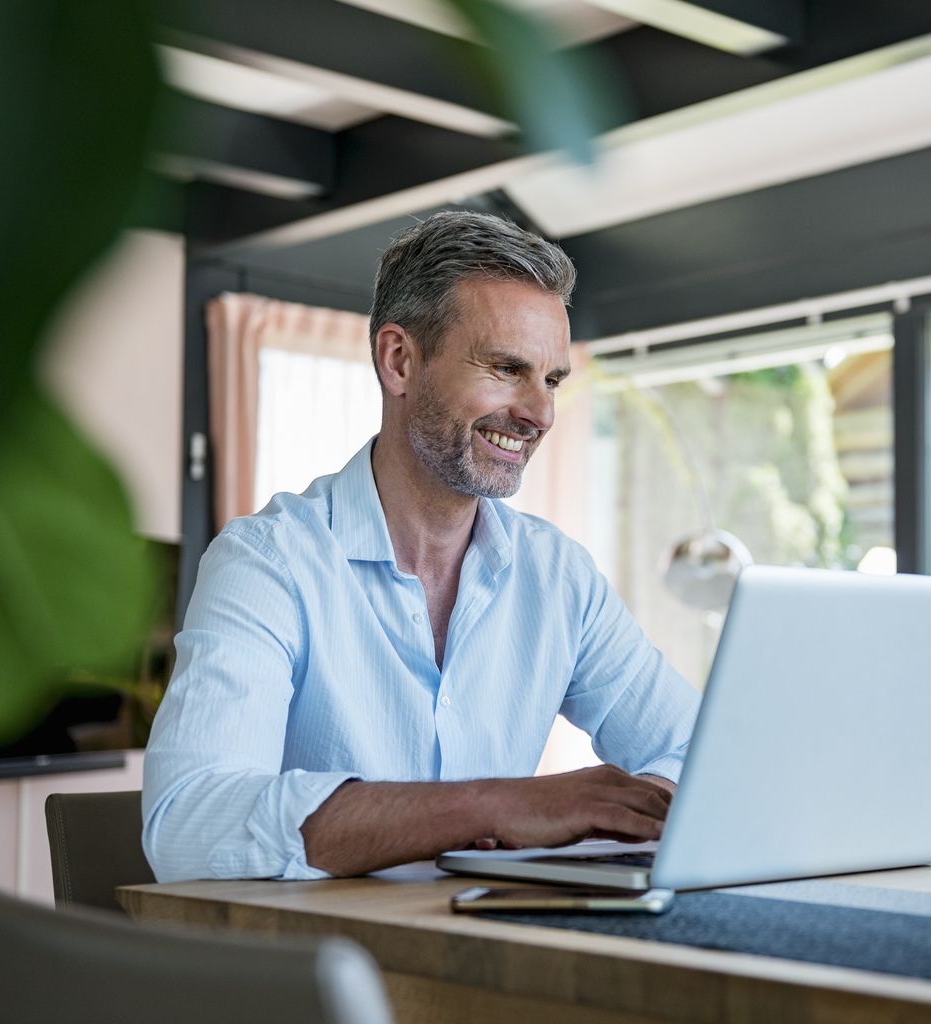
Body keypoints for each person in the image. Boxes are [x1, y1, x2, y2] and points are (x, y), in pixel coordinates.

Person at [142, 212, 700, 881]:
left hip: (492, 955)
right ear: (399, 360)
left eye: (551, 380)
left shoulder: (559, 580)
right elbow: (188, 825)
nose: (541, 413)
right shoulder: (266, 564)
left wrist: (597, 821)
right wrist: (493, 806)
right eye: (505, 368)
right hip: (314, 972)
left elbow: (699, 752)